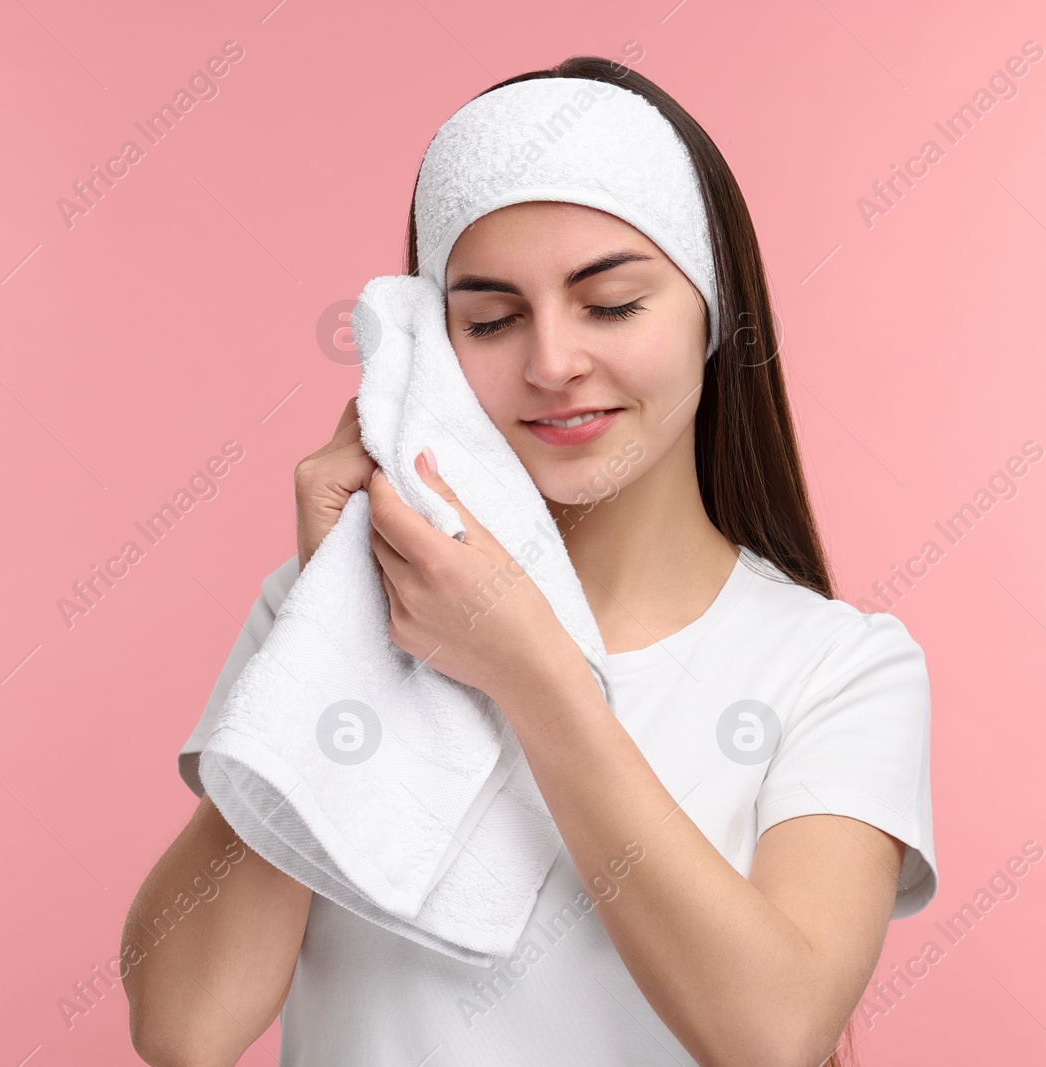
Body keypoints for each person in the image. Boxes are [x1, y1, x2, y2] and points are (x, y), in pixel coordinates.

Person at [124, 55, 937, 1067]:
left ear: (711, 314)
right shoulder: (330, 612)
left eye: (611, 304)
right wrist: (334, 627)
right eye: (492, 320)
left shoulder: (837, 667)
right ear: (425, 342)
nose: (552, 363)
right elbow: (182, 1027)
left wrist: (529, 668)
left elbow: (770, 1030)